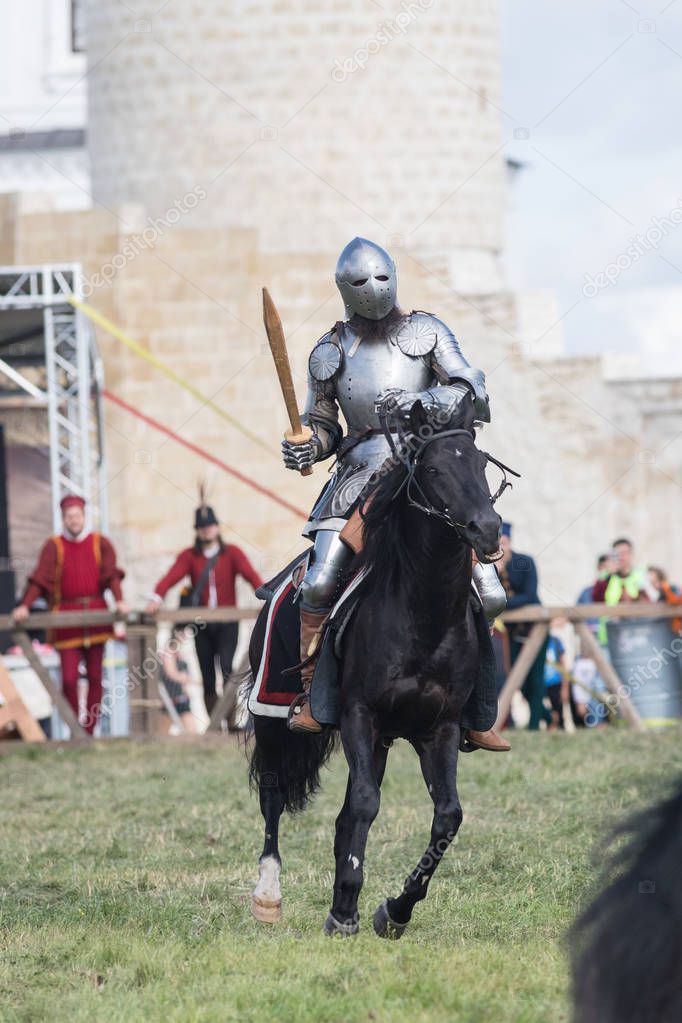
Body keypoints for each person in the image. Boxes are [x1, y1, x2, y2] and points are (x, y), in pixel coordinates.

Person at [280, 236, 509, 750]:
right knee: (318, 583)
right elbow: (324, 426)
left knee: (490, 592)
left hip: (426, 472)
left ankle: (476, 710)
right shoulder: (330, 350)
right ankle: (313, 698)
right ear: (345, 289)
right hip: (359, 478)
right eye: (362, 282)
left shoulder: (426, 332)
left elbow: (474, 392)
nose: (374, 290)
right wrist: (307, 448)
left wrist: (420, 399)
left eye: (381, 278)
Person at [12, 494, 127, 735]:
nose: (74, 520)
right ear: (63, 519)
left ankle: (88, 729)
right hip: (65, 617)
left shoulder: (100, 543)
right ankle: (76, 728)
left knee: (96, 677)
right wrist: (25, 604)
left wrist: (119, 600)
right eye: (69, 516)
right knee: (68, 680)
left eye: (77, 515)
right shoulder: (54, 546)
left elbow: (111, 576)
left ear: (84, 517)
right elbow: (40, 579)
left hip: (96, 615)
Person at [146, 498, 262, 721]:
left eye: (209, 525)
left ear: (217, 527)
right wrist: (156, 596)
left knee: (228, 670)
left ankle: (232, 722)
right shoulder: (190, 556)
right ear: (197, 531)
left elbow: (251, 576)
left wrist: (266, 597)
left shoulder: (232, 553)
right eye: (202, 527)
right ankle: (215, 725)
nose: (207, 530)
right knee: (207, 675)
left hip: (228, 623)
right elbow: (171, 577)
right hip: (202, 625)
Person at [496, 522, 550, 730]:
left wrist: (503, 605)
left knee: (536, 679)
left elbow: (529, 595)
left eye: (504, 542)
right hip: (512, 630)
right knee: (519, 681)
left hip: (534, 628)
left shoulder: (524, 561)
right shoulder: (490, 567)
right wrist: (497, 573)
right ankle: (547, 714)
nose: (501, 547)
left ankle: (534, 725)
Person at [592, 538, 654, 646]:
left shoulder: (641, 575)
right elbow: (596, 599)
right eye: (617, 554)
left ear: (631, 554)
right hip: (610, 637)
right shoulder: (605, 577)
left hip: (637, 636)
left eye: (624, 553)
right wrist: (608, 575)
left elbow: (650, 602)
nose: (621, 557)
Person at [159, 623, 198, 734]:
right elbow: (172, 674)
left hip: (179, 697)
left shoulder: (178, 652)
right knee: (163, 732)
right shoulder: (169, 652)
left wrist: (187, 689)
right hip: (172, 698)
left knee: (190, 730)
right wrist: (192, 680)